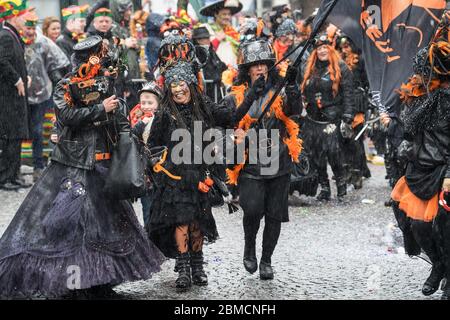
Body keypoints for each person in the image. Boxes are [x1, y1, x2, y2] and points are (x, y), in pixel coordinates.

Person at [0, 36, 165, 299]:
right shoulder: (66, 84)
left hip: (102, 164)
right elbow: (67, 116)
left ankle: (98, 282)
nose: (101, 59)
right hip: (73, 165)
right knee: (73, 229)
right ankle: (75, 285)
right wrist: (100, 108)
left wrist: (125, 133)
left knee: (106, 228)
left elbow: (118, 119)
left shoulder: (106, 81)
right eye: (98, 55)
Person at [146, 55, 251, 290]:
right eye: (173, 85)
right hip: (176, 179)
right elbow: (153, 145)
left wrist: (253, 94)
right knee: (181, 222)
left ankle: (198, 267)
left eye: (182, 84)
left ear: (190, 85)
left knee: (197, 223)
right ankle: (183, 270)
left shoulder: (204, 107)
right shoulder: (165, 113)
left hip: (201, 174)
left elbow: (232, 117)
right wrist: (160, 167)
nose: (178, 89)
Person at [224, 39, 302, 280]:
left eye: (263, 64)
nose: (259, 68)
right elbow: (228, 122)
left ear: (270, 66)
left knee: (274, 214)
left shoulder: (278, 89)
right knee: (253, 210)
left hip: (279, 160)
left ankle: (267, 259)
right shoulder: (235, 96)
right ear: (246, 70)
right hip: (249, 163)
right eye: (254, 65)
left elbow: (295, 110)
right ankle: (249, 247)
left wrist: (292, 85)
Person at [390, 23, 450, 299]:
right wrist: (427, 98)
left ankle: (448, 274)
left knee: (444, 227)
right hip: (422, 167)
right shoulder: (425, 96)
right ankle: (438, 265)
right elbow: (409, 125)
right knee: (417, 225)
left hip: (445, 169)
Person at [301, 34, 355, 201]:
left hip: (332, 118)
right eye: (319, 48)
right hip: (312, 119)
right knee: (315, 154)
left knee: (334, 153)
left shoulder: (341, 67)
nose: (322, 50)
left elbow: (348, 93)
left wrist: (348, 116)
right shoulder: (309, 68)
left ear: (330, 49)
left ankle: (341, 188)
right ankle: (324, 188)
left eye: (325, 47)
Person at [22, 9, 70, 182]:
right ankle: (17, 165)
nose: (29, 31)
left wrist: (57, 79)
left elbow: (61, 61)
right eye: (26, 27)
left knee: (37, 129)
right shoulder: (17, 40)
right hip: (20, 94)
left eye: (32, 27)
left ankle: (38, 165)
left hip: (42, 93)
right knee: (21, 130)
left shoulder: (42, 42)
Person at [0, 0, 31, 191]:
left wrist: (24, 77)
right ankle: (5, 177)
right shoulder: (5, 35)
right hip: (8, 98)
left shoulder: (12, 34)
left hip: (15, 97)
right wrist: (17, 79)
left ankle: (14, 174)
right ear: (13, 17)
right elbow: (1, 61)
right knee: (10, 137)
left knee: (17, 136)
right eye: (23, 16)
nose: (25, 20)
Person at [337, 35, 371, 188]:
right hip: (343, 102)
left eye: (347, 46)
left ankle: (359, 172)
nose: (344, 49)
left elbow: (367, 80)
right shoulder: (337, 62)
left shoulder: (361, 60)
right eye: (342, 47)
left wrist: (366, 99)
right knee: (345, 140)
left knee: (355, 139)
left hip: (357, 102)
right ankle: (351, 170)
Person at [130, 82, 162, 226]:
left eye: (150, 102)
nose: (146, 106)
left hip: (161, 167)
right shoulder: (136, 118)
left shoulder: (163, 118)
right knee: (147, 208)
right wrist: (142, 122)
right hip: (144, 171)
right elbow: (131, 137)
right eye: (143, 102)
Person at [199, 0, 242, 67]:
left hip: (233, 72)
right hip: (214, 72)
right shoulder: (205, 28)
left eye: (229, 14)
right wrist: (217, 40)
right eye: (224, 14)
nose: (227, 17)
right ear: (216, 14)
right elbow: (201, 53)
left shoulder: (233, 32)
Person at [192, 25, 227, 103]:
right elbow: (207, 71)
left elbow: (219, 64)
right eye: (206, 38)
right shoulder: (197, 53)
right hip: (208, 91)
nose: (208, 40)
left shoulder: (210, 50)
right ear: (198, 40)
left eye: (208, 37)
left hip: (216, 89)